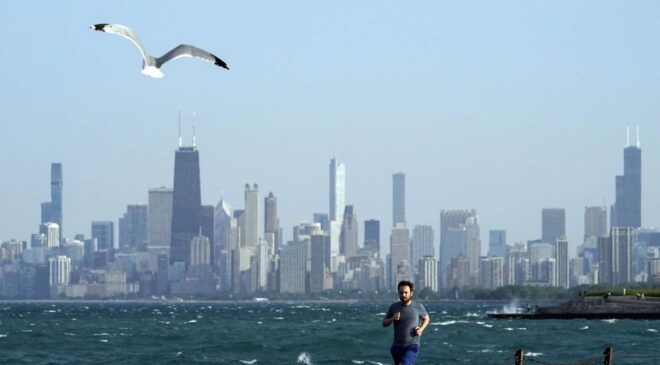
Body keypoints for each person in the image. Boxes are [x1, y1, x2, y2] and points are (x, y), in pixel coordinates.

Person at [382, 281, 430, 365]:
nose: (403, 295)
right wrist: (392, 318)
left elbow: (426, 318)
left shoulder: (418, 306)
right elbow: (384, 323)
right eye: (401, 293)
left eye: (406, 292)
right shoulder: (394, 307)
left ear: (411, 293)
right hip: (396, 347)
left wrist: (421, 329)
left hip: (412, 345)